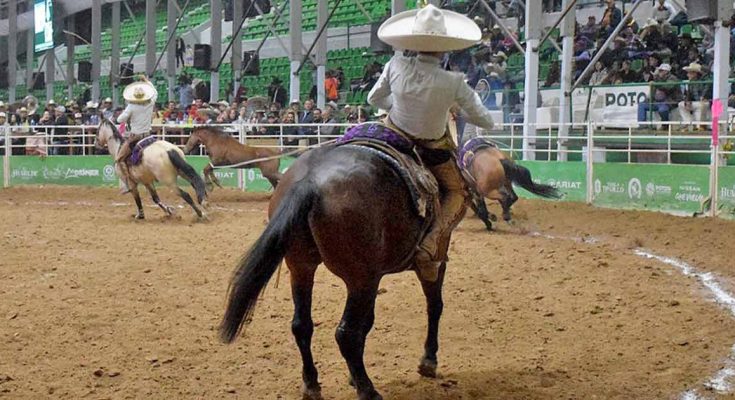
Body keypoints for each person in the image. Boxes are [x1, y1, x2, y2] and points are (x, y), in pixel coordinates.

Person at [368, 5, 494, 281]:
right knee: (460, 193)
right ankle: (429, 244)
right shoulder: (453, 81)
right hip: (430, 148)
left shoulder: (396, 64)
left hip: (392, 135)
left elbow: (373, 100)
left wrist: (400, 107)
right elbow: (484, 120)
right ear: (444, 48)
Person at [116, 76, 158, 194]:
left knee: (119, 159)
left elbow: (120, 119)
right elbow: (155, 92)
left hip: (135, 137)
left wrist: (127, 114)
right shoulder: (150, 103)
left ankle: (129, 182)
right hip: (148, 136)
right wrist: (147, 81)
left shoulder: (131, 107)